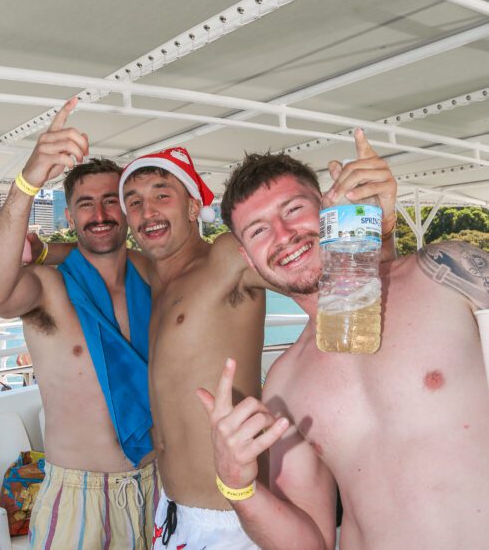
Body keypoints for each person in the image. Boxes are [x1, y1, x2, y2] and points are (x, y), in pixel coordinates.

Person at [198, 144, 489, 550]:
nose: (283, 236)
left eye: (294, 209)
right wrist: (238, 488)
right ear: (248, 258)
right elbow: (310, 543)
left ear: (329, 206)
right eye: (259, 230)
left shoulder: (442, 274)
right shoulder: (284, 381)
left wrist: (380, 236)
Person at [116, 131, 397, 549]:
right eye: (134, 202)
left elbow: (332, 276)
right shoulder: (153, 276)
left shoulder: (227, 256)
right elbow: (92, 250)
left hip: (233, 516)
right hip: (172, 509)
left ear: (194, 206)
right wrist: (44, 252)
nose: (146, 210)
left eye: (161, 194)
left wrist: (380, 230)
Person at [0, 98, 158, 549]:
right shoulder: (50, 291)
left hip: (158, 486)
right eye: (84, 204)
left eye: (110, 202)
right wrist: (29, 178)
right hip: (78, 498)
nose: (99, 216)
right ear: (69, 214)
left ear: (128, 209)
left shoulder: (156, 279)